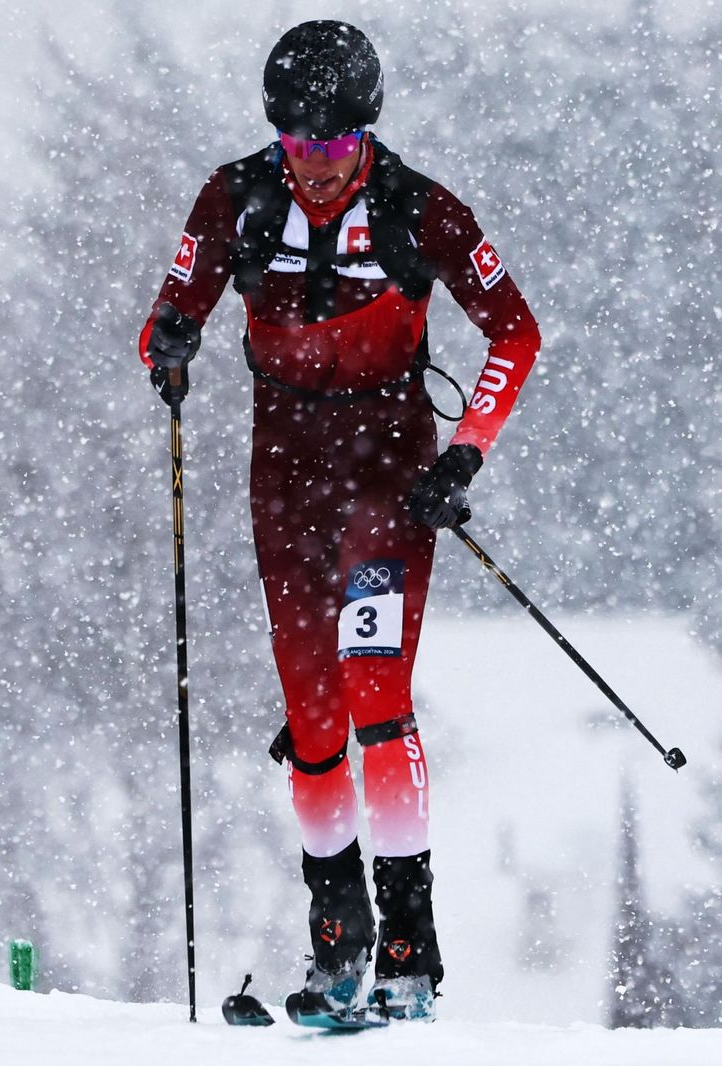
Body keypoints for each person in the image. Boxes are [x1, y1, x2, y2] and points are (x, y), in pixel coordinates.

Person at [137, 21, 540, 1022]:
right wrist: (172, 345)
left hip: (388, 480)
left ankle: (410, 944)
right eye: (295, 143)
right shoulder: (233, 199)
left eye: (333, 143)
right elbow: (162, 321)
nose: (313, 164)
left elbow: (514, 331)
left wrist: (465, 451)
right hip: (284, 482)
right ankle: (337, 940)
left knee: (373, 693)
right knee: (312, 718)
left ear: (367, 130)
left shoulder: (420, 207)